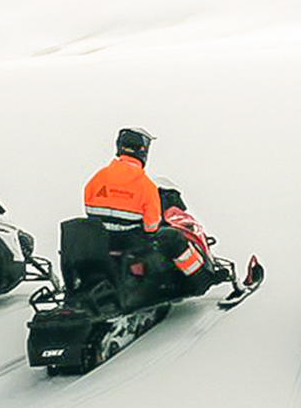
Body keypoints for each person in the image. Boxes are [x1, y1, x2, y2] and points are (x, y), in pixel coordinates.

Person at [81, 128, 214, 300]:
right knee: (174, 237)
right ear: (143, 152)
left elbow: (90, 212)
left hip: (102, 243)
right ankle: (202, 280)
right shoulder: (145, 185)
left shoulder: (96, 178)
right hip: (131, 245)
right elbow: (151, 226)